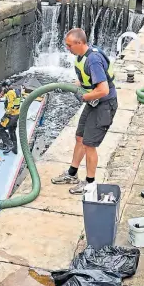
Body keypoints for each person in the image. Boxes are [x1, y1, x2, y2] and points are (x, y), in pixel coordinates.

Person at [51, 28, 118, 195]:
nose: (67, 48)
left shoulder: (93, 60)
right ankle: (72, 174)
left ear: (79, 43)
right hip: (94, 103)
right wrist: (78, 85)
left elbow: (103, 90)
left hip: (104, 105)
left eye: (69, 45)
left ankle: (90, 184)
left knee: (89, 145)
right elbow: (88, 79)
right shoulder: (81, 56)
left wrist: (85, 97)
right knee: (80, 138)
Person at [0, 79, 22, 154]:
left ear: (6, 86)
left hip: (11, 115)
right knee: (12, 131)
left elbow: (10, 106)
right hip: (16, 114)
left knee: (0, 129)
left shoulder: (10, 93)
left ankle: (9, 145)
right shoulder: (17, 91)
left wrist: (5, 116)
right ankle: (15, 149)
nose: (3, 89)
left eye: (3, 88)